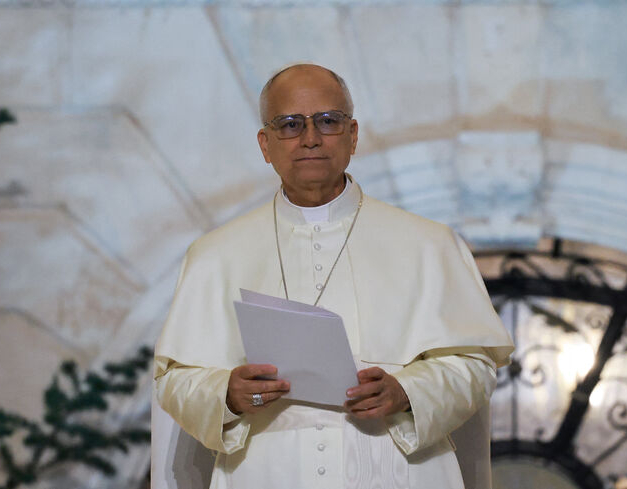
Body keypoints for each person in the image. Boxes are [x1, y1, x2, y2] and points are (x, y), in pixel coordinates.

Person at [154, 63, 514, 489]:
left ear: (353, 135)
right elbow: (176, 378)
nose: (310, 138)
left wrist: (407, 391)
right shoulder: (215, 255)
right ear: (265, 145)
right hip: (266, 472)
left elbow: (474, 364)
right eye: (290, 125)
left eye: (328, 121)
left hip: (400, 471)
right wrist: (226, 394)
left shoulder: (428, 244)